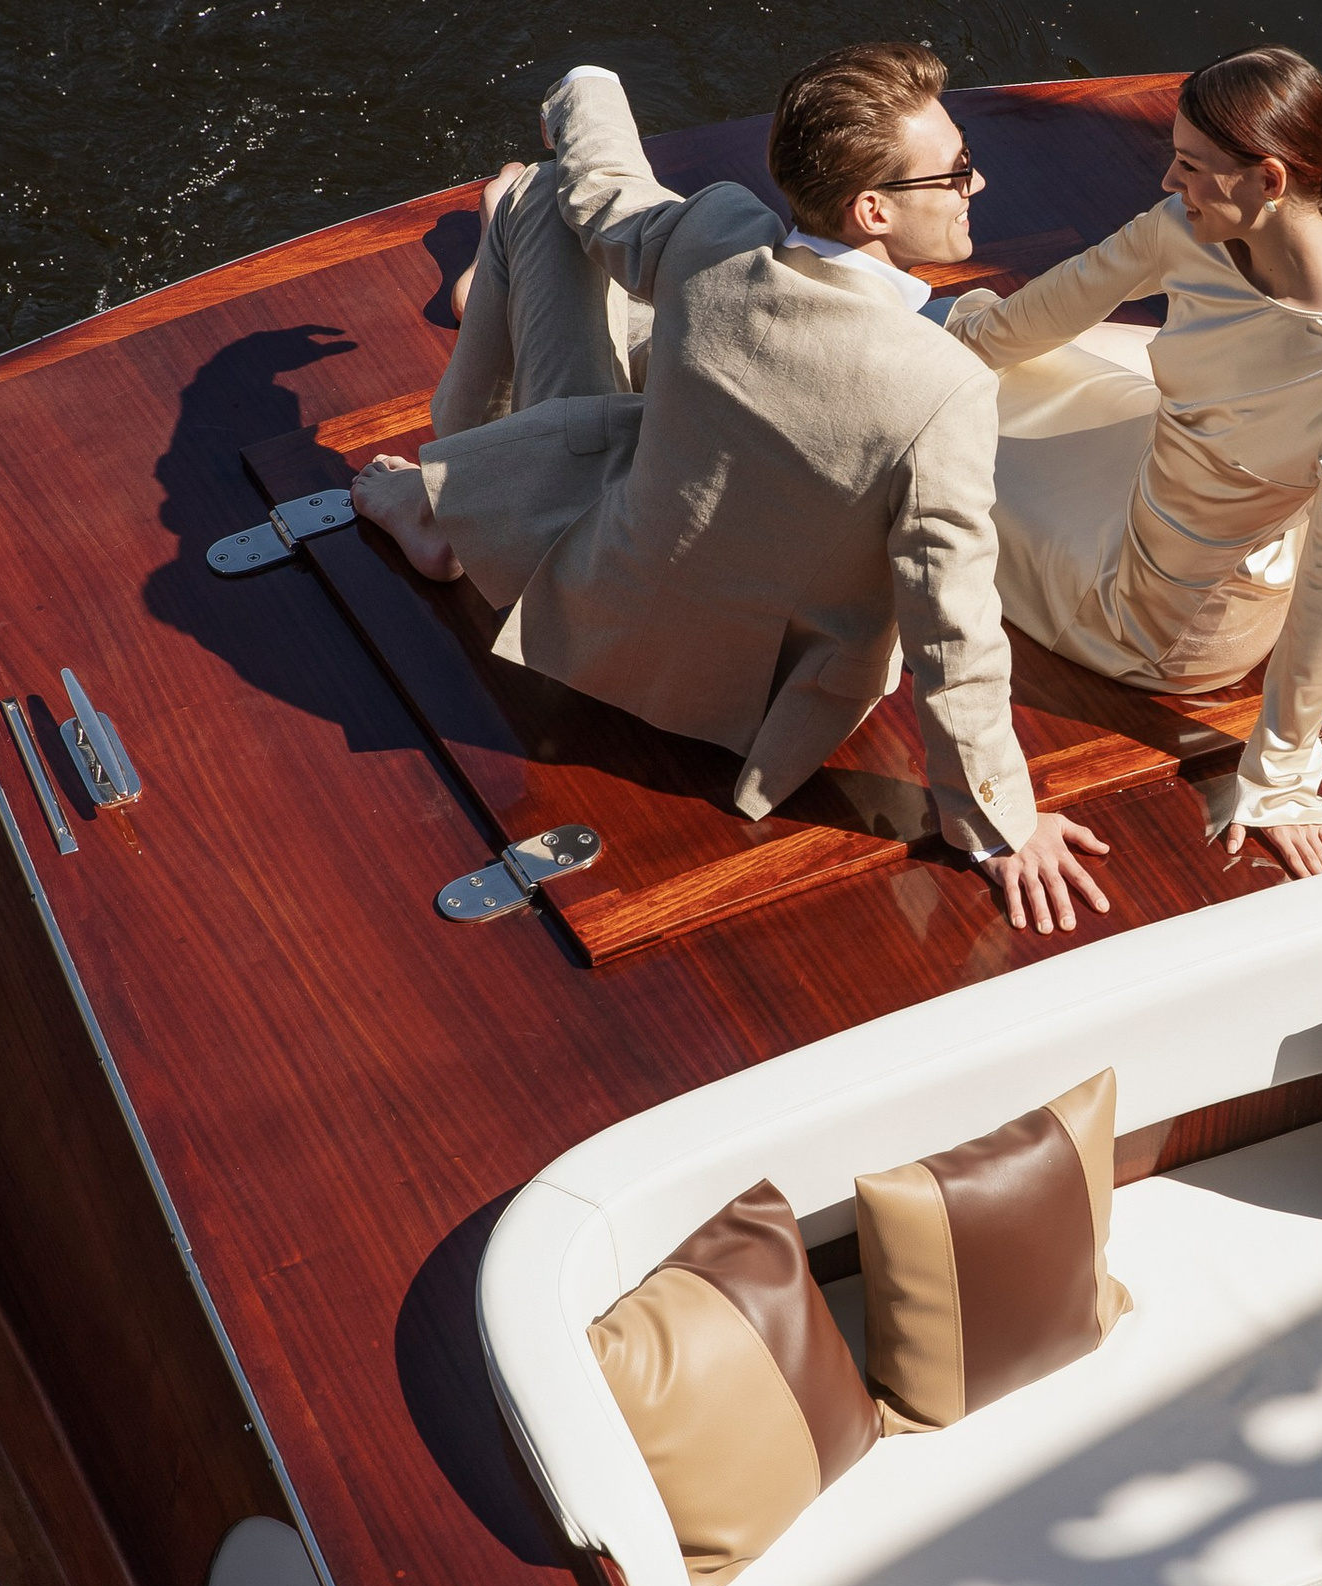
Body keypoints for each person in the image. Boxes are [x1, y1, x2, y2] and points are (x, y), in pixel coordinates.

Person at [352, 48, 1113, 933]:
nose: (975, 185)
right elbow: (953, 620)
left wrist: (588, 81)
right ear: (873, 211)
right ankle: (453, 489)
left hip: (592, 602)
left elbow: (602, 188)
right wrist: (994, 821)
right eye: (958, 173)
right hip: (743, 701)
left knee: (547, 196)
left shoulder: (715, 240)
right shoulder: (943, 386)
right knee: (594, 254)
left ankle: (452, 493)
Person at [941, 49, 1322, 879]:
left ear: (1269, 179)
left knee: (930, 456)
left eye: (1193, 166)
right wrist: (922, 350)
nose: (1169, 180)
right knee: (968, 357)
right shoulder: (1190, 226)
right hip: (1160, 443)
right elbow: (1027, 321)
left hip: (1156, 610)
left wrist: (1278, 775)